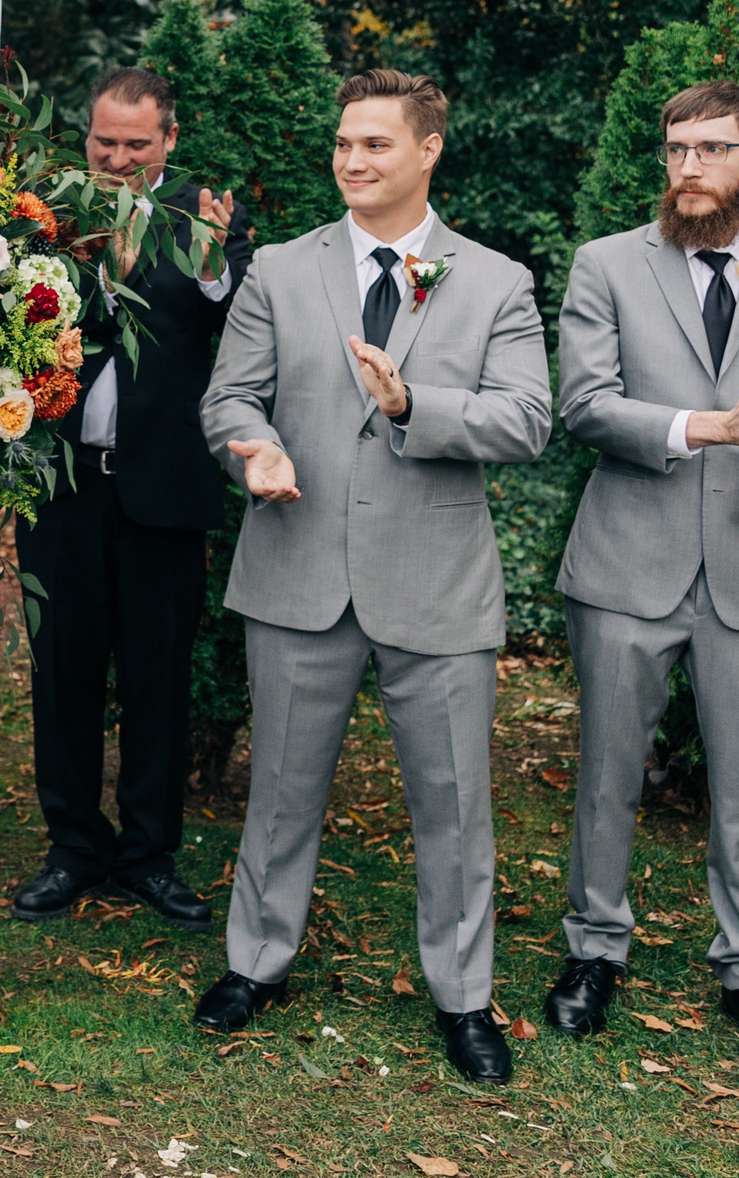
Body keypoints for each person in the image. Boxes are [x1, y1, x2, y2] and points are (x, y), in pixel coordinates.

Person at [195, 68, 551, 1085]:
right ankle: (253, 962)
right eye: (343, 143)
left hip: (435, 583)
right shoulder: (276, 266)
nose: (352, 160)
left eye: (375, 145)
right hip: (296, 566)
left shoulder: (495, 281)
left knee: (452, 802)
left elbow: (526, 421)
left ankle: (462, 995)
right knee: (278, 792)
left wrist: (410, 408)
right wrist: (253, 449)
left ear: (427, 149)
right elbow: (232, 397)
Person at [545, 81, 739, 1066]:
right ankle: (592, 950)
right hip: (627, 559)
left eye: (709, 149)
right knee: (607, 773)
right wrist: (707, 424)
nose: (687, 168)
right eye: (674, 150)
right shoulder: (606, 264)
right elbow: (583, 404)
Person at [10, 66, 250, 933]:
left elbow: (232, 319)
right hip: (63, 489)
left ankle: (149, 854)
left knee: (157, 679)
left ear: (170, 140)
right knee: (62, 675)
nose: (116, 158)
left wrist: (216, 259)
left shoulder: (212, 215)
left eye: (135, 145)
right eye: (103, 142)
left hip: (165, 487)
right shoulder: (41, 212)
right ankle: (73, 845)